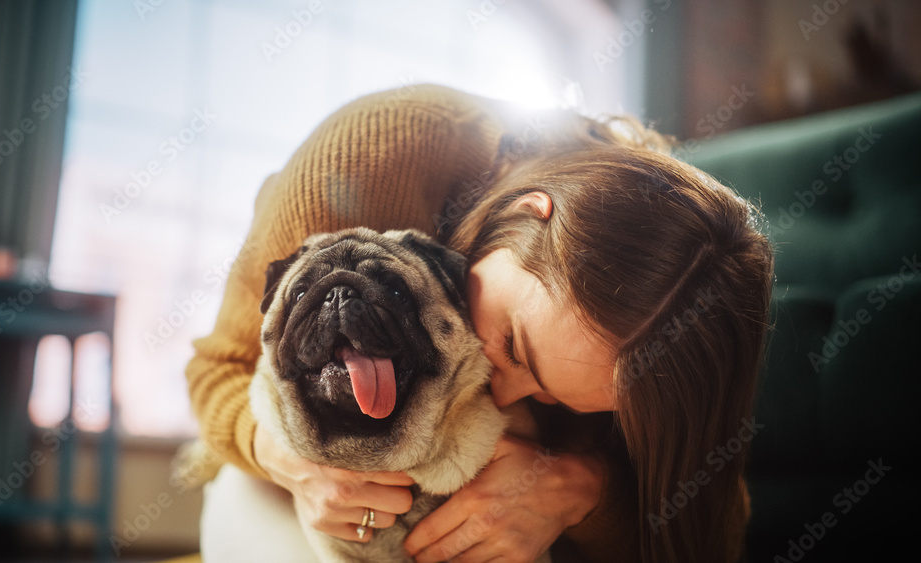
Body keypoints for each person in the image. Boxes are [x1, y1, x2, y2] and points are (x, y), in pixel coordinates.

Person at [186, 84, 773, 563]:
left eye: (563, 400)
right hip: (291, 489)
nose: (507, 389)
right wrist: (288, 461)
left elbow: (710, 531)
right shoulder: (369, 159)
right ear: (526, 212)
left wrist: (583, 489)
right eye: (516, 348)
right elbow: (218, 368)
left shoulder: (684, 292)